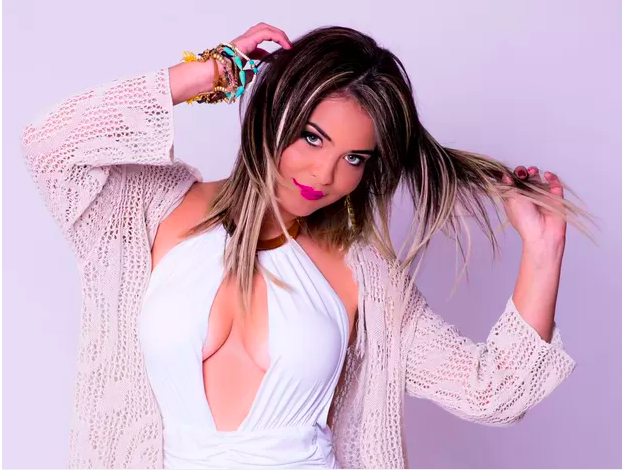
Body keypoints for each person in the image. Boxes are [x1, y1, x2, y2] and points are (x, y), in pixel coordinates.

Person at [20, 23, 593, 469]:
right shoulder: (145, 212)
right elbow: (49, 145)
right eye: (312, 137)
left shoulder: (363, 274)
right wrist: (212, 72)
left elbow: (493, 392)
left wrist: (543, 250)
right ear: (274, 112)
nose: (324, 174)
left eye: (354, 158)